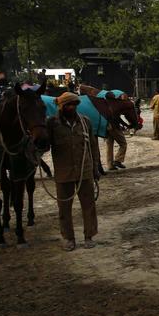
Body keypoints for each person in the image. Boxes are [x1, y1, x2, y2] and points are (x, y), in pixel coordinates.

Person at [47, 92, 102, 251]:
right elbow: (45, 145)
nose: (72, 107)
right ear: (61, 106)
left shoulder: (85, 122)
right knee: (64, 208)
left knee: (89, 205)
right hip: (63, 174)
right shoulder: (52, 124)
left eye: (74, 105)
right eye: (68, 105)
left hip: (85, 172)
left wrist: (95, 168)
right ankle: (69, 238)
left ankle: (89, 236)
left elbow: (93, 146)